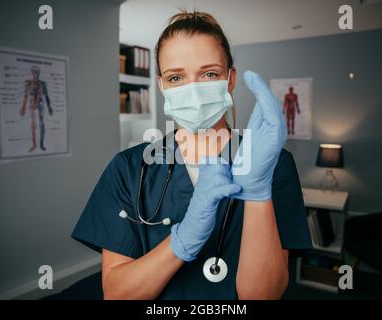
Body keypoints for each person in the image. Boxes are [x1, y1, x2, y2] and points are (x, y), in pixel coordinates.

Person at [71, 10, 311, 300]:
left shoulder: (275, 164)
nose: (194, 91)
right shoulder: (129, 169)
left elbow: (263, 296)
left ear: (230, 80)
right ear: (161, 86)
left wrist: (258, 193)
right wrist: (181, 242)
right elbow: (117, 295)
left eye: (209, 74)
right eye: (176, 77)